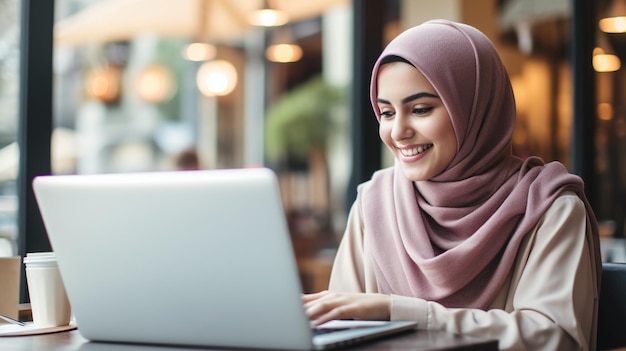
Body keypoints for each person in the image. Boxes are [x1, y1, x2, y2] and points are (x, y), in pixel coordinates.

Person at [303, 19, 602, 351]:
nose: (398, 132)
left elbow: (555, 338)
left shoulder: (549, 207)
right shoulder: (374, 202)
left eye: (419, 109)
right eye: (386, 113)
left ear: (473, 109)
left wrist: (399, 312)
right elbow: (339, 325)